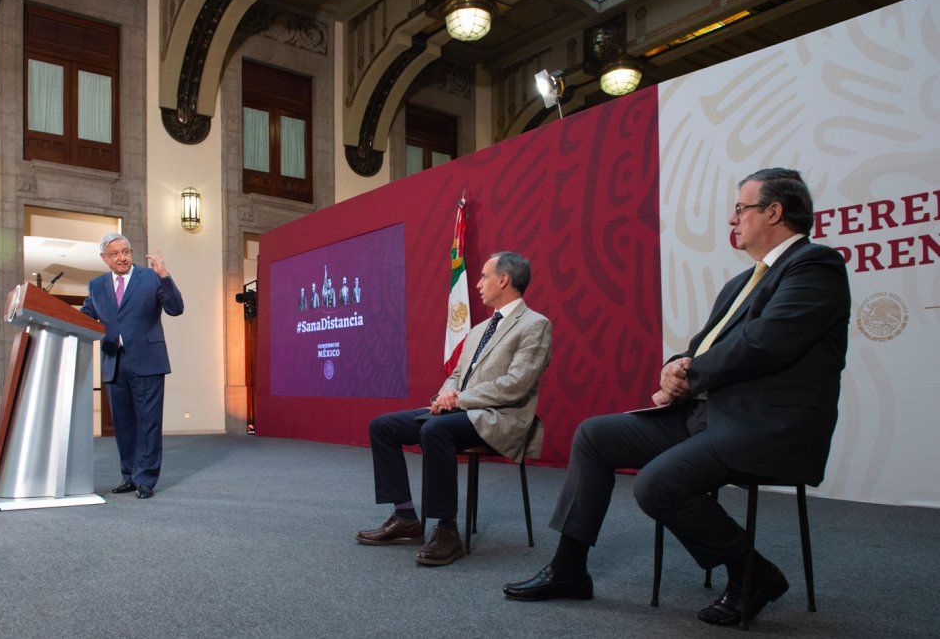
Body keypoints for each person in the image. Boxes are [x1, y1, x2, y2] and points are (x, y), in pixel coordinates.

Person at [503, 169, 850, 628]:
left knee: (656, 484)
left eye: (741, 208)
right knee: (595, 435)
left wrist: (691, 374)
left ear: (774, 212)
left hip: (765, 424)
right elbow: (705, 345)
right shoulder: (741, 283)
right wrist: (676, 365)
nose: (733, 218)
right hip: (707, 414)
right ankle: (569, 570)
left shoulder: (815, 266)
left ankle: (751, 572)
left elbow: (767, 343)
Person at [356, 252, 552, 566]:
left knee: (435, 430)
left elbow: (516, 384)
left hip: (500, 417)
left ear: (503, 280)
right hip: (462, 412)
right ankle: (406, 518)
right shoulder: (479, 330)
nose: (478, 284)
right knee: (383, 426)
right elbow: (457, 375)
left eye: (484, 276)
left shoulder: (535, 325)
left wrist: (460, 400)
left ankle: (446, 530)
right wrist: (448, 394)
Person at [81, 233, 184, 500]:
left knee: (148, 422)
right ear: (105, 258)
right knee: (124, 425)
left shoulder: (150, 278)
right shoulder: (96, 285)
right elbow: (84, 318)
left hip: (148, 361)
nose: (122, 257)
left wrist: (164, 275)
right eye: (115, 253)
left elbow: (176, 308)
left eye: (126, 251)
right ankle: (129, 475)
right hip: (114, 362)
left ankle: (146, 478)